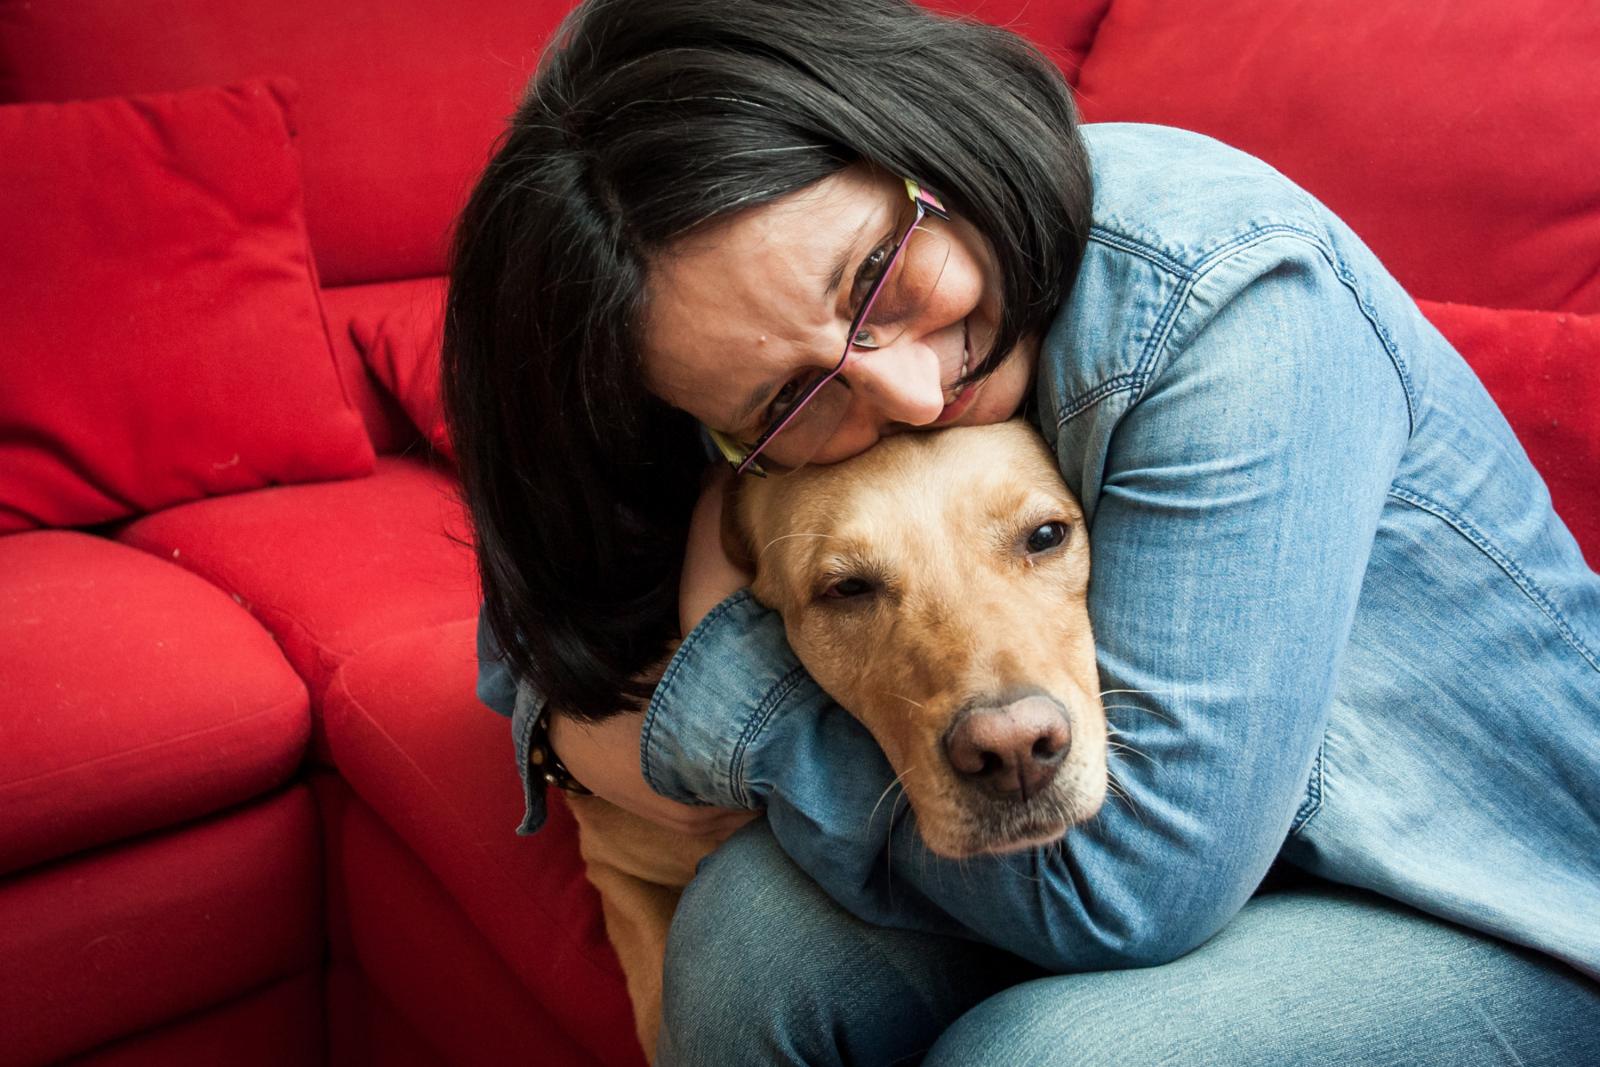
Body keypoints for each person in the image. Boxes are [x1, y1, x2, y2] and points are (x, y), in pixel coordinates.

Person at [445, 0, 1600, 1062]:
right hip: (1232, 863)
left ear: (924, 137)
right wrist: (570, 731)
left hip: (1489, 893)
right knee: (746, 936)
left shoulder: (1231, 298)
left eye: (877, 279)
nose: (902, 391)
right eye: (789, 395)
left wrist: (719, 711)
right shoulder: (739, 351)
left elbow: (1135, 888)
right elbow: (548, 580)